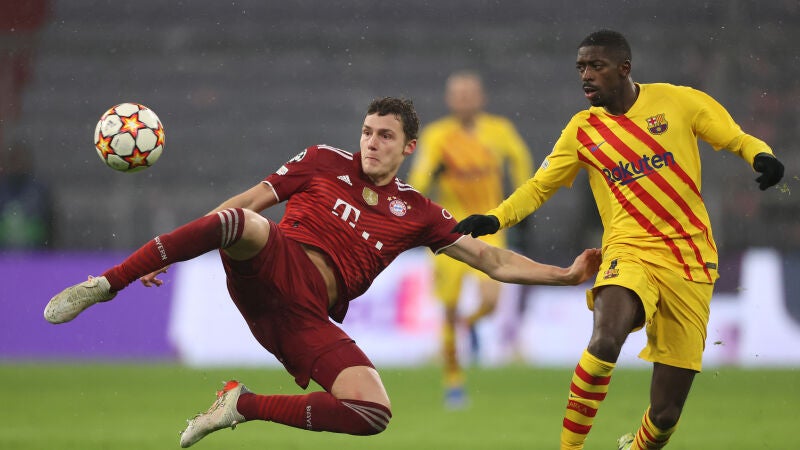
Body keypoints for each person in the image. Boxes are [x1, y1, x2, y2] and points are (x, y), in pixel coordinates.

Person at [44, 97, 601, 448]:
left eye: (385, 135)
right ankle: (107, 284)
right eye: (367, 131)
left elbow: (491, 258)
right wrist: (163, 256)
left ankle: (240, 405)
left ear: (409, 147)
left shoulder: (418, 211)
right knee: (243, 223)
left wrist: (564, 275)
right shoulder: (321, 161)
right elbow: (249, 202)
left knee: (373, 411)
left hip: (305, 319)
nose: (372, 142)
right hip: (273, 265)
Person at [453, 30, 784, 450]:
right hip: (628, 251)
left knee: (664, 416)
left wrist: (761, 156)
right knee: (605, 338)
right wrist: (496, 217)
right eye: (581, 68)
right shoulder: (582, 130)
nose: (586, 76)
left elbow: (734, 136)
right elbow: (538, 187)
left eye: (596, 66)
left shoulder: (677, 101)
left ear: (624, 68)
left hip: (690, 260)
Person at [406, 70, 534, 408]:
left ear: (481, 97)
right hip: (449, 232)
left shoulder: (499, 130)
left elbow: (521, 160)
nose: (464, 100)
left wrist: (524, 200)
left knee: (491, 301)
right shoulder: (437, 135)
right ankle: (453, 383)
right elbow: (418, 179)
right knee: (448, 308)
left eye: (469, 93)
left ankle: (469, 326)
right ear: (450, 99)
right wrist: (430, 176)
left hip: (489, 228)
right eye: (458, 94)